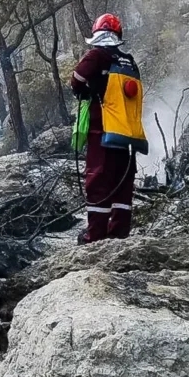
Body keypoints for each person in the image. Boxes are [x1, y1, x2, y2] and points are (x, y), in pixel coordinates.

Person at [70, 14, 148, 245]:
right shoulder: (128, 61)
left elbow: (76, 80)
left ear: (96, 34)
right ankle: (119, 234)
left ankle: (95, 236)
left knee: (98, 182)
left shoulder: (96, 55)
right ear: (118, 35)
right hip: (128, 136)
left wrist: (87, 92)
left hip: (103, 132)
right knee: (122, 184)